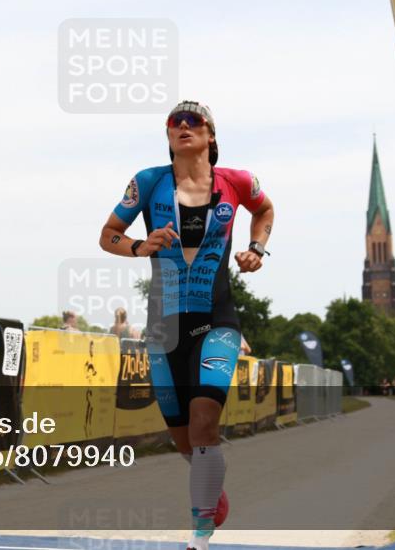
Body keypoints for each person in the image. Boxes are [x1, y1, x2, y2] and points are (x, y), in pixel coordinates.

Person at [99, 100, 275, 550]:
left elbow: (266, 209)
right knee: (183, 439)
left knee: (203, 425)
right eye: (174, 122)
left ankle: (199, 532)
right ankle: (211, 493)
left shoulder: (236, 181)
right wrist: (140, 246)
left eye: (192, 120)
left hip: (217, 319)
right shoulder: (148, 181)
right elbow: (108, 235)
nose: (182, 126)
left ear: (210, 135)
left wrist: (257, 248)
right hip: (163, 327)